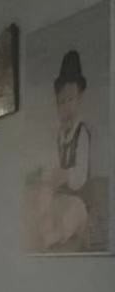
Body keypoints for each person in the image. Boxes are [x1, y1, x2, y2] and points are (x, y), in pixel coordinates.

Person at [35, 49, 93, 250]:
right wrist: (48, 177)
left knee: (73, 210)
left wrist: (66, 175)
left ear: (80, 98)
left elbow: (80, 176)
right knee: (44, 197)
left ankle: (58, 234)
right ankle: (47, 232)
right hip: (62, 196)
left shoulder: (82, 133)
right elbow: (52, 164)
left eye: (70, 100)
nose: (66, 106)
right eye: (61, 102)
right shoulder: (59, 136)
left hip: (79, 198)